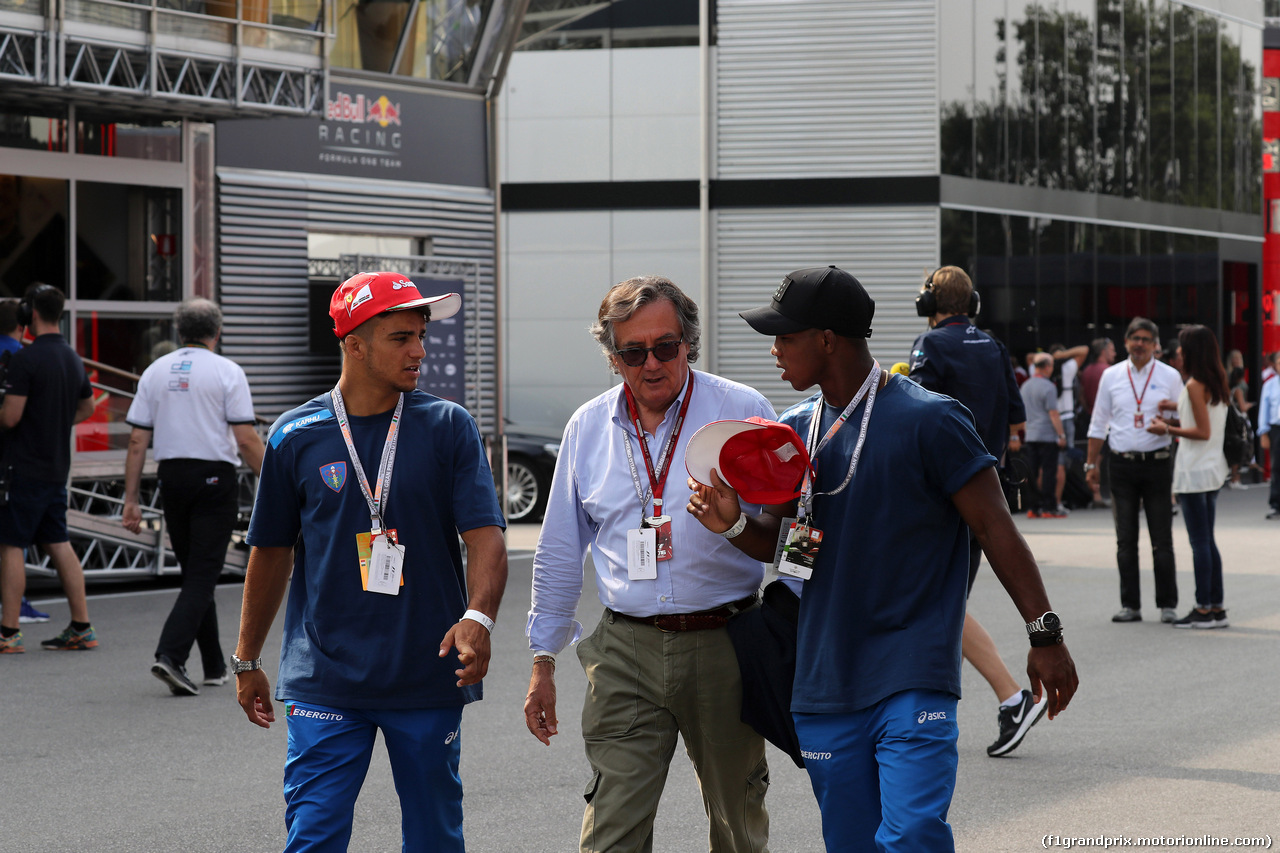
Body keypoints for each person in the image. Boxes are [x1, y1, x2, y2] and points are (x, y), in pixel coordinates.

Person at [687, 265, 1078, 851]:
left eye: (785, 337)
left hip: (911, 672)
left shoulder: (932, 420)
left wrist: (1045, 635)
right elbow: (792, 549)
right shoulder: (794, 432)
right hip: (823, 683)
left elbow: (997, 531)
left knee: (912, 835)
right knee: (851, 843)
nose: (774, 352)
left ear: (826, 340)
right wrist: (734, 523)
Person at [233, 271, 508, 852]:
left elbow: (485, 537)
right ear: (354, 344)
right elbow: (271, 553)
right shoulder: (294, 435)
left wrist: (479, 619)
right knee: (315, 836)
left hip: (427, 674)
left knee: (434, 837)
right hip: (324, 678)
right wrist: (245, 658)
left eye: (422, 335)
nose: (420, 350)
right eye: (401, 337)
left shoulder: (448, 427)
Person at [524, 275, 774, 853]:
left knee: (738, 825)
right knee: (611, 829)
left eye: (665, 347)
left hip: (727, 643)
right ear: (613, 358)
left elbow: (789, 535)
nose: (652, 364)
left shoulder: (742, 412)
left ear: (689, 343)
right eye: (633, 352)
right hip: (625, 650)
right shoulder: (588, 428)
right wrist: (543, 659)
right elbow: (561, 549)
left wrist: (734, 525)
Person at [908, 266, 1049, 758]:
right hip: (984, 487)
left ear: (930, 304)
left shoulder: (932, 347)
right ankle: (999, 700)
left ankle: (1009, 697)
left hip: (940, 493)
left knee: (934, 602)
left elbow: (916, 410)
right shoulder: (993, 347)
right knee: (943, 602)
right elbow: (1015, 417)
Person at [121, 299, 266, 695]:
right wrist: (278, 480)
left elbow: (137, 440)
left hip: (171, 478)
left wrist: (130, 498)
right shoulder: (226, 371)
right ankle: (170, 655)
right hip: (213, 480)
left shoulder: (154, 371)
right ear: (216, 332)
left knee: (195, 574)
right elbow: (245, 438)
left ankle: (215, 665)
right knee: (203, 575)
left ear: (179, 332)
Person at [0, 284, 96, 654]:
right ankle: (82, 627)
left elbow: (10, 416)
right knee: (58, 541)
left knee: (11, 543)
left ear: (31, 315)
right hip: (57, 467)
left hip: (23, 467)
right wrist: (55, 422)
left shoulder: (26, 358)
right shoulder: (73, 357)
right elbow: (87, 409)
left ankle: (8, 632)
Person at [1085, 317, 1183, 623]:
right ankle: (1131, 605)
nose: (1139, 344)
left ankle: (1167, 604)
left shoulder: (1169, 376)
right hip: (1122, 464)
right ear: (1126, 342)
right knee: (1125, 540)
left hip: (1157, 463)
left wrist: (1167, 423)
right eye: (1134, 338)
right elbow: (1099, 421)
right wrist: (1091, 463)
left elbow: (1187, 420)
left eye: (1145, 339)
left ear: (1155, 344)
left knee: (1161, 539)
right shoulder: (1112, 376)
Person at [1147, 326, 1230, 629]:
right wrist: (1174, 409)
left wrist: (1166, 429)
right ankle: (1216, 607)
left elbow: (1201, 431)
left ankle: (1203, 608)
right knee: (1208, 540)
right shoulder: (1216, 380)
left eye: (1182, 349)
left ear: (1192, 351)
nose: (1177, 354)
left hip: (1195, 471)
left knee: (1200, 543)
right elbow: (1203, 419)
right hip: (1211, 468)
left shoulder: (1195, 384)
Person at [0, 298, 51, 625]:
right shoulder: (23, 355)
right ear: (23, 324)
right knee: (14, 540)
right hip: (16, 457)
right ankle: (16, 608)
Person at [1020, 353, 1068, 519]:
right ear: (1047, 366)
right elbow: (1053, 413)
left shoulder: (1025, 386)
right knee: (1048, 472)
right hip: (1047, 435)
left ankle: (1033, 507)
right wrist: (1061, 434)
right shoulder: (1049, 386)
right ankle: (1049, 507)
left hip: (1031, 434)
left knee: (1032, 473)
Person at [1259, 352, 1280, 520]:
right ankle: (1276, 504)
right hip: (1276, 429)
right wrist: (1263, 432)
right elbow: (1263, 409)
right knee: (1276, 467)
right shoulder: (1270, 385)